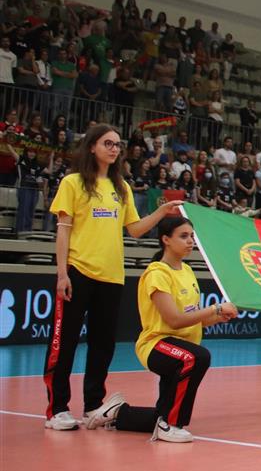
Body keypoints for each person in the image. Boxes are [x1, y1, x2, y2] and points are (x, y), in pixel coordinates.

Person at [43, 124, 182, 430]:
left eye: (118, 144)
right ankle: (57, 409)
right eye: (108, 143)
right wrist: (62, 273)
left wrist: (161, 213)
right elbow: (63, 231)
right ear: (92, 146)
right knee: (64, 343)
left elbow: (134, 229)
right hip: (78, 272)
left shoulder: (121, 188)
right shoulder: (72, 183)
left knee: (102, 345)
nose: (114, 149)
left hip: (112, 277)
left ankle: (93, 405)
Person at [90, 216, 240, 442]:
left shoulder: (187, 270)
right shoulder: (157, 274)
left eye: (192, 236)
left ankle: (119, 413)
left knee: (162, 411)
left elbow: (194, 318)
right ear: (166, 239)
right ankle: (169, 426)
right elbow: (174, 320)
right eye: (183, 236)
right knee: (197, 358)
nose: (190, 241)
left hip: (181, 346)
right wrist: (215, 308)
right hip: (157, 345)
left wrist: (218, 317)